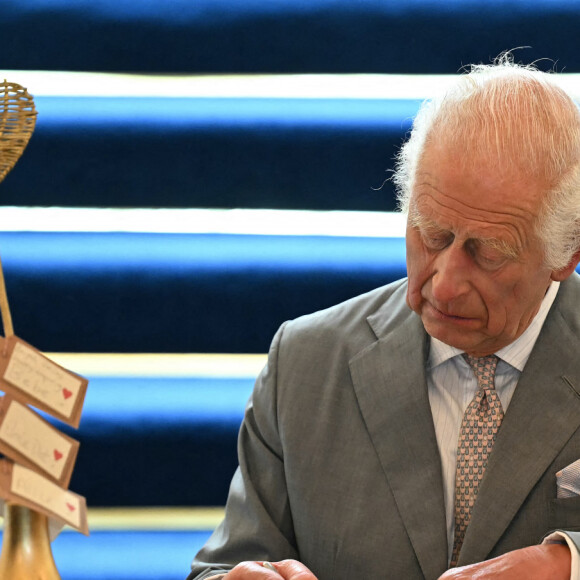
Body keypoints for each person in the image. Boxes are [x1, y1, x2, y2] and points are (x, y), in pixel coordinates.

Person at [187, 54, 580, 579]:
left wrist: (568, 564)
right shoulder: (306, 362)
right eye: (430, 232)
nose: (442, 282)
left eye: (487, 251)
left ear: (565, 252)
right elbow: (222, 565)